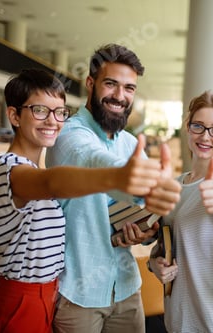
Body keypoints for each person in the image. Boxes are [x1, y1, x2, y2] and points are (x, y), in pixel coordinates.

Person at [0, 68, 167, 333]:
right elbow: (53, 183)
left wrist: (5, 242)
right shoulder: (12, 169)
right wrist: (117, 178)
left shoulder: (27, 171)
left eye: (60, 112)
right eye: (40, 110)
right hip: (21, 300)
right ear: (14, 115)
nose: (52, 121)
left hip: (43, 296)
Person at [44, 44, 181, 333]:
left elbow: (144, 212)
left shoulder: (130, 144)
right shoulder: (68, 135)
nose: (120, 96)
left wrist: (146, 232)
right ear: (91, 84)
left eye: (129, 88)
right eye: (111, 84)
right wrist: (131, 178)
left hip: (126, 288)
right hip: (78, 295)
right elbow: (94, 160)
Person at [148, 91, 213, 333]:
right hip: (177, 319)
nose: (206, 136)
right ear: (188, 127)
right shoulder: (175, 184)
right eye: (199, 126)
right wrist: (155, 264)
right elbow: (165, 245)